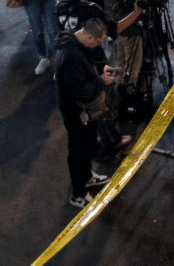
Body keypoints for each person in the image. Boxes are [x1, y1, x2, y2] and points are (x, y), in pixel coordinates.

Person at [54, 18, 116, 208]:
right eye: (97, 42)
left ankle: (87, 176)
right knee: (78, 152)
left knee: (88, 144)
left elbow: (87, 68)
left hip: (84, 112)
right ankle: (78, 193)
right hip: (76, 112)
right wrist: (102, 82)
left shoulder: (76, 43)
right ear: (90, 37)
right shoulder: (71, 55)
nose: (97, 46)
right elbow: (82, 91)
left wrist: (100, 68)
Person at [99, 0, 150, 116]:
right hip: (130, 29)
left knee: (120, 63)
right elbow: (142, 1)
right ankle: (128, 101)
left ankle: (119, 97)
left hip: (113, 29)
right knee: (132, 66)